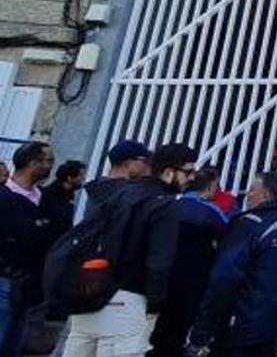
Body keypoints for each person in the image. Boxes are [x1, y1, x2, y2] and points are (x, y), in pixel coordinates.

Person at [63, 143, 196, 357]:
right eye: (189, 171)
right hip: (129, 300)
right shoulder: (163, 205)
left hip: (91, 292)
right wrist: (155, 305)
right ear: (169, 172)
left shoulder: (119, 193)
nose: (192, 178)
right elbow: (159, 262)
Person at [187, 172, 277, 357]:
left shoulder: (247, 225)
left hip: (239, 322)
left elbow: (223, 279)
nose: (247, 194)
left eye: (252, 189)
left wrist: (202, 331)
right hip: (274, 322)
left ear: (266, 194)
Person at [148, 167, 228, 357]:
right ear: (211, 187)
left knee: (161, 327)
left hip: (163, 275)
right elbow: (228, 240)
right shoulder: (211, 213)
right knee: (180, 328)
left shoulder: (170, 205)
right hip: (193, 280)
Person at [0, 142, 57, 357]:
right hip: (6, 281)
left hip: (31, 285)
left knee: (15, 343)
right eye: (48, 161)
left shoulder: (46, 198)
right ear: (32, 163)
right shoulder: (4, 198)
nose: (51, 166)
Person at [82, 140, 152, 220]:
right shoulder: (128, 194)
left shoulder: (99, 188)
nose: (147, 166)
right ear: (128, 163)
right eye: (144, 161)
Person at [42, 160, 87, 232]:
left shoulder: (68, 195)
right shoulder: (52, 195)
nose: (83, 179)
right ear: (69, 178)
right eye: (80, 176)